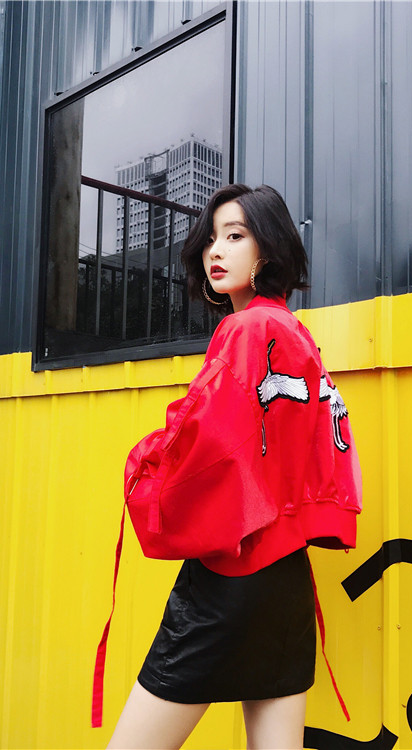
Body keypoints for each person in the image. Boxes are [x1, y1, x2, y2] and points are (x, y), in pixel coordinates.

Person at [105, 184, 362, 750]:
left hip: (234, 572)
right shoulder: (296, 334)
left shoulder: (245, 329)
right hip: (287, 576)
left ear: (266, 251)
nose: (215, 251)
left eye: (235, 236)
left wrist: (144, 460)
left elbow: (205, 437)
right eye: (211, 239)